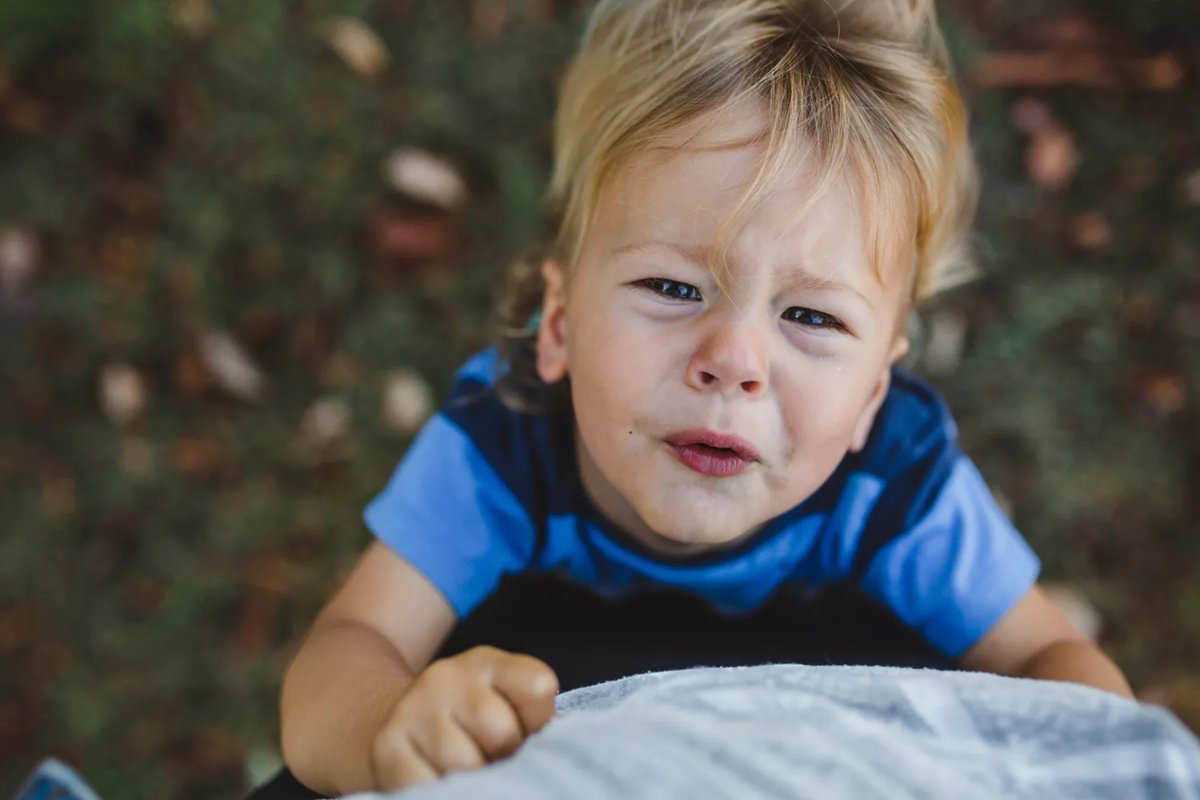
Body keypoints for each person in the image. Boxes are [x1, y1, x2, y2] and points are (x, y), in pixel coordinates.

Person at [273, 0, 1133, 796]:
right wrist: (394, 728)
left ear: (875, 388)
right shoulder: (506, 435)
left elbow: (1055, 656)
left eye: (808, 315)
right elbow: (349, 650)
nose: (734, 362)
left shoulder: (895, 480)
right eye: (674, 287)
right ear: (560, 325)